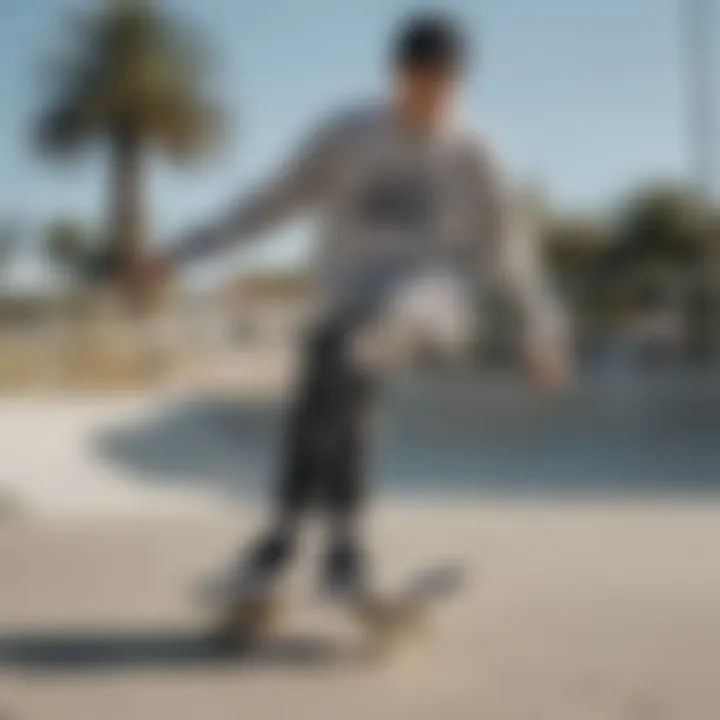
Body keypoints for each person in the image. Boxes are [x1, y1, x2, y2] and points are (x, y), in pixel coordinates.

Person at [144, 12, 567, 601]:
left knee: (351, 360)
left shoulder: (476, 153)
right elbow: (269, 202)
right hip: (344, 301)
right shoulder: (345, 135)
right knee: (320, 375)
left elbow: (511, 250)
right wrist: (182, 250)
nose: (427, 101)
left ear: (459, 84)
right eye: (416, 83)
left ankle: (343, 549)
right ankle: (282, 542)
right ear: (394, 75)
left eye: (441, 87)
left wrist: (542, 330)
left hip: (430, 302)